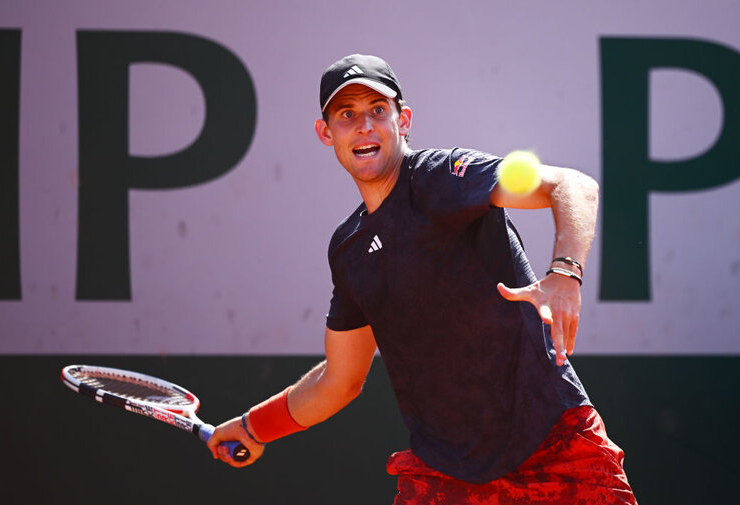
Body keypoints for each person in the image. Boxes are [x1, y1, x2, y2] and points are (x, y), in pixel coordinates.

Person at [208, 54, 637, 504]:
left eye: (378, 110)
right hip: (445, 474)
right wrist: (253, 427)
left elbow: (572, 185)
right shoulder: (349, 249)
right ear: (325, 132)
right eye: (347, 114)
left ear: (404, 120)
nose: (364, 126)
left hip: (554, 444)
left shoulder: (443, 176)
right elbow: (339, 380)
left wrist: (564, 274)